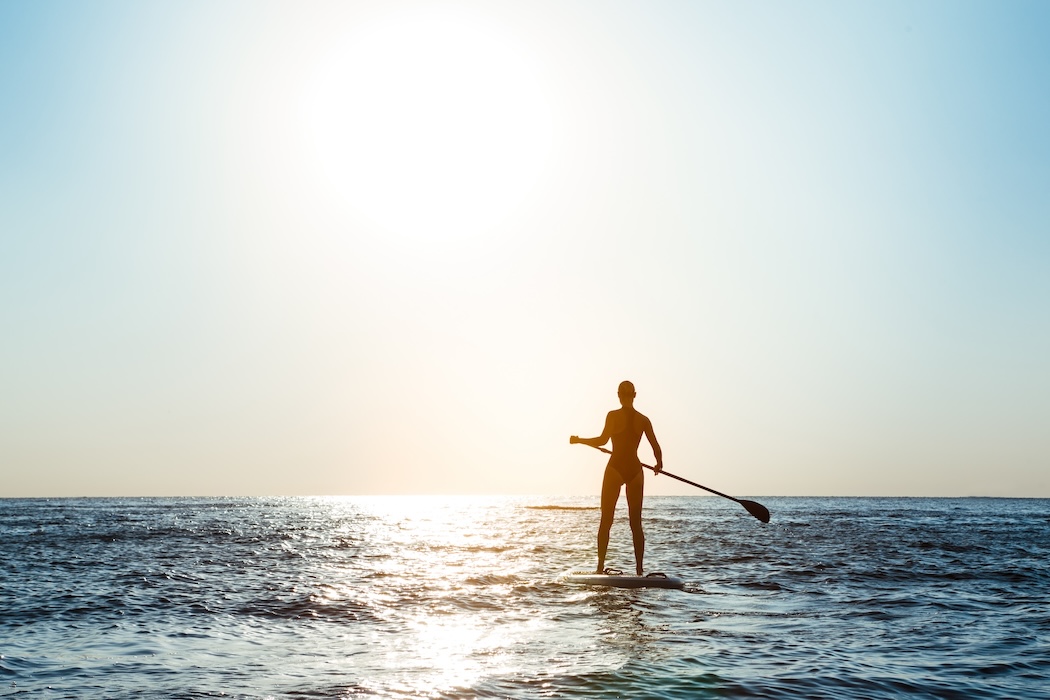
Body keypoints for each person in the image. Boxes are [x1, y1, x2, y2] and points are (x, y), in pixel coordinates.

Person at [570, 380, 663, 576]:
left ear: (619, 395)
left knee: (606, 520)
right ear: (635, 395)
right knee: (636, 523)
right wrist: (658, 464)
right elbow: (656, 447)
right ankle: (639, 570)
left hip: (615, 468)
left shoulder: (612, 416)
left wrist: (580, 441)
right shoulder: (644, 420)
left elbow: (602, 440)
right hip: (636, 471)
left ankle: (599, 567)